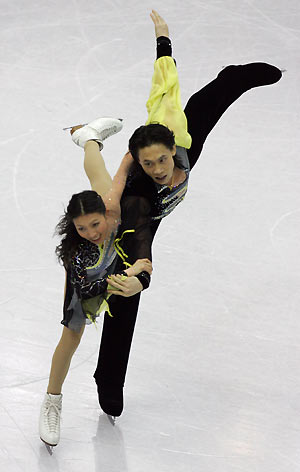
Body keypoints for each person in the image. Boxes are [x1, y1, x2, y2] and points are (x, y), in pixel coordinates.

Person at [93, 10, 283, 418]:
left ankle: (235, 75)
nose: (159, 170)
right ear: (139, 164)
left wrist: (162, 35)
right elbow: (141, 239)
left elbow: (165, 78)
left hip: (173, 130)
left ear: (172, 149)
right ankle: (108, 378)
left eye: (162, 160)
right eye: (148, 165)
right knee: (123, 293)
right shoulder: (139, 198)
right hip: (137, 220)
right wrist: (141, 277)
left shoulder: (179, 139)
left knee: (206, 104)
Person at [39, 117, 153, 447]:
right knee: (71, 334)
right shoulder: (76, 252)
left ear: (105, 212)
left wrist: (138, 147)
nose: (91, 232)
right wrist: (122, 277)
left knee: (97, 172)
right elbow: (90, 290)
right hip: (89, 277)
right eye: (82, 228)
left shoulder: (114, 209)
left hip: (112, 254)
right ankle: (52, 401)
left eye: (94, 224)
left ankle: (89, 137)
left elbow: (124, 170)